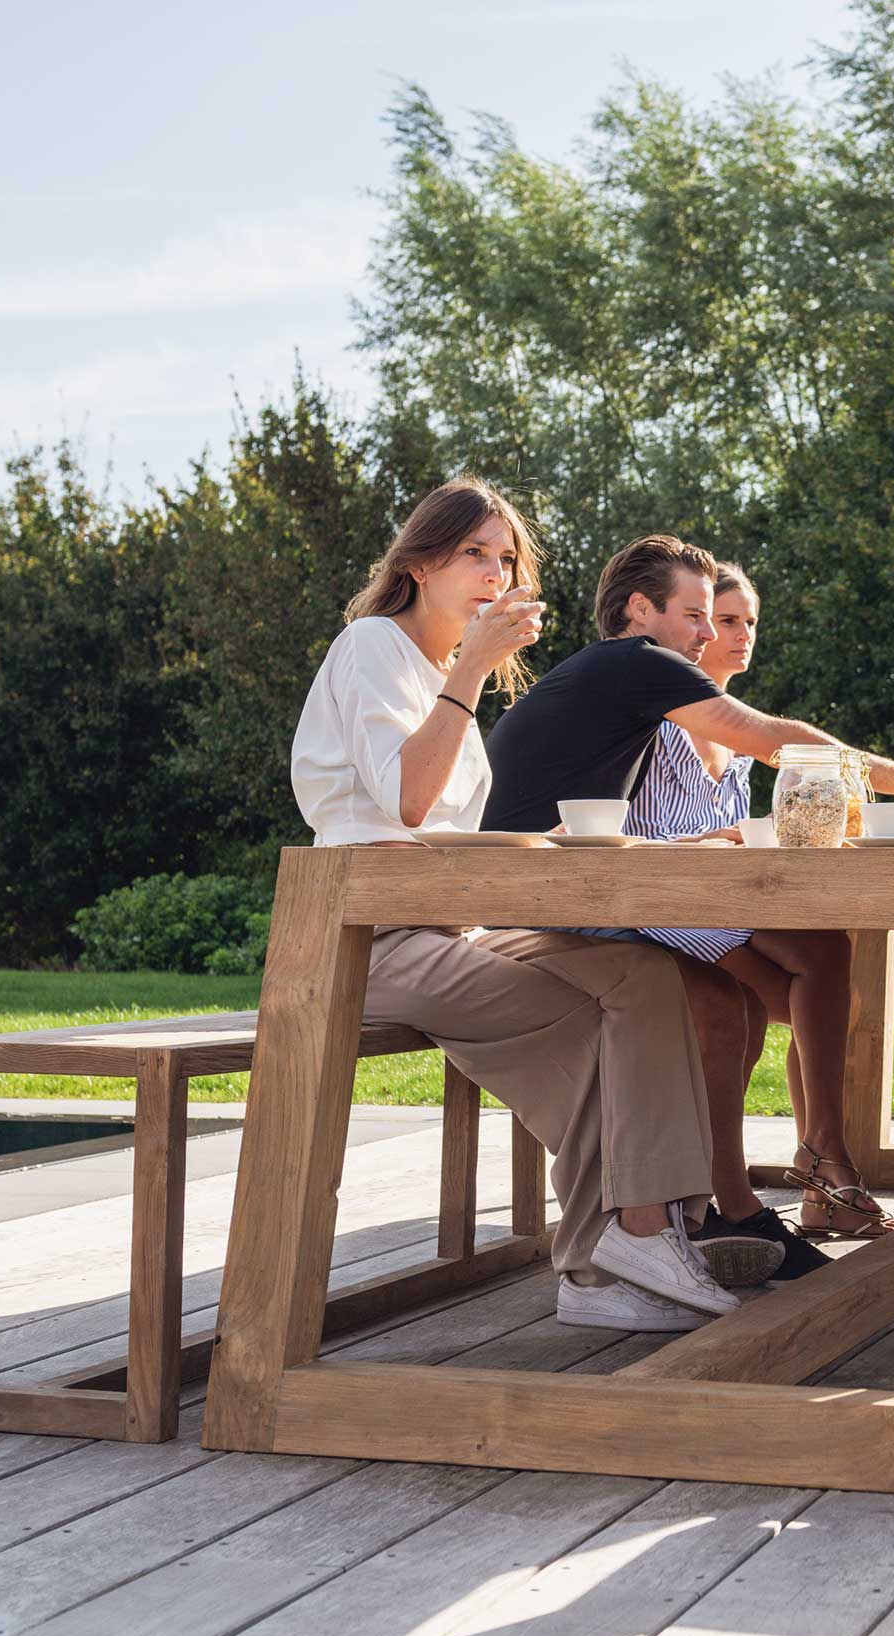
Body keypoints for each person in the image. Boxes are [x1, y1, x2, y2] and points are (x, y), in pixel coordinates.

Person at [290, 478, 762, 1335]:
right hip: (372, 939)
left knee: (643, 975)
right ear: (422, 561)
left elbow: (467, 837)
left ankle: (632, 1242)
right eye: (473, 552)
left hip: (457, 926)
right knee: (591, 1024)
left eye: (504, 559)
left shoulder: (441, 678)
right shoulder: (372, 647)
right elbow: (405, 801)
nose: (492, 572)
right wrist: (471, 668)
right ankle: (618, 1244)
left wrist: (679, 852)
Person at [485, 535, 894, 1263]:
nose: (710, 634)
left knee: (745, 999)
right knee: (783, 974)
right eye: (695, 615)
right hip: (539, 899)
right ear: (639, 610)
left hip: (573, 884)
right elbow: (768, 737)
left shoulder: (624, 680)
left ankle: (739, 1201)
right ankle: (773, 1183)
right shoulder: (633, 662)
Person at [618, 563, 893, 1280]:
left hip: (725, 899)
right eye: (721, 620)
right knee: (814, 974)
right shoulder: (654, 715)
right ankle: (820, 1165)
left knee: (830, 979)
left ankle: (821, 1162)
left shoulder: (735, 746)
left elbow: (744, 830)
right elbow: (638, 831)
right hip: (663, 903)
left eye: (746, 623)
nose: (733, 635)